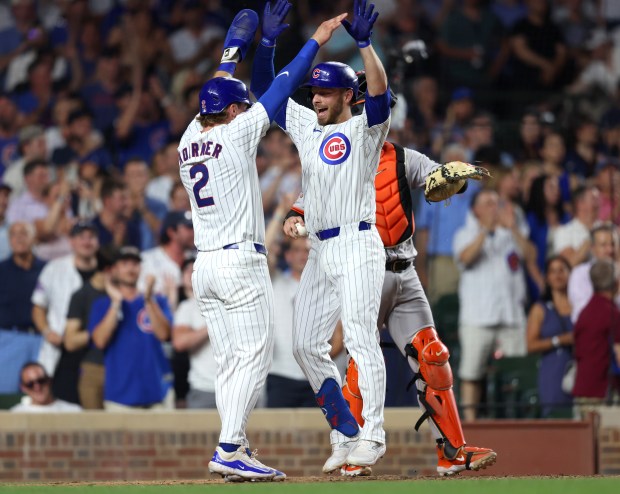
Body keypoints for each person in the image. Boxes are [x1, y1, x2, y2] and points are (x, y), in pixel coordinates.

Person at [285, 75, 497, 476]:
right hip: (364, 267)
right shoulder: (332, 156)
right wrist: (296, 219)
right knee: (358, 358)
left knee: (433, 357)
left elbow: (436, 182)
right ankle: (354, 450)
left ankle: (452, 451)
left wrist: (452, 178)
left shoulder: (403, 157)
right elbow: (302, 206)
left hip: (405, 267)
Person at [178, 4, 345, 482]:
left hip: (204, 266)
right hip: (238, 263)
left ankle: (235, 444)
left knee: (232, 361)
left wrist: (235, 48)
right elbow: (284, 86)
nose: (248, 107)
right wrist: (312, 40)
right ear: (233, 110)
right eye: (241, 103)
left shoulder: (189, 138)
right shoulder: (237, 133)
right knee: (255, 354)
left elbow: (217, 90)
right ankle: (230, 447)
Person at [254, 0, 391, 473]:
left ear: (346, 96)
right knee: (305, 344)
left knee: (358, 339)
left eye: (327, 92)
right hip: (320, 248)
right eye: (315, 89)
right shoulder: (308, 127)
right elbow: (264, 92)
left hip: (358, 243)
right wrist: (268, 45)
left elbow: (380, 94)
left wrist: (366, 45)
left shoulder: (365, 127)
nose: (316, 97)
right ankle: (345, 429)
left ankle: (373, 434)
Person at [453, 189, 529, 420]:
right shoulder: (465, 234)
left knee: (517, 373)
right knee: (471, 373)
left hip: (511, 315)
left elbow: (530, 255)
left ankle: (517, 421)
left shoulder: (512, 234)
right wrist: (485, 230)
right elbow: (466, 258)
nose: (494, 208)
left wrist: (513, 228)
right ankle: (470, 425)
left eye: (497, 203)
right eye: (488, 204)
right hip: (477, 317)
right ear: (475, 210)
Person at [89, 246, 173, 410]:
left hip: (156, 392)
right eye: (125, 263)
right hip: (119, 396)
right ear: (115, 269)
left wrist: (148, 299)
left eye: (135, 263)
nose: (130, 268)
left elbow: (164, 334)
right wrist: (116, 303)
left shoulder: (157, 300)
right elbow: (99, 341)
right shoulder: (102, 304)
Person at [31, 219, 99, 377]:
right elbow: (38, 307)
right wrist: (48, 332)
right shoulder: (54, 268)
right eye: (81, 237)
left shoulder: (106, 271)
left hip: (96, 349)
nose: (86, 241)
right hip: (61, 346)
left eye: (91, 237)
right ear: (71, 241)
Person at [62, 247, 115, 409]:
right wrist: (100, 331)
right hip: (94, 366)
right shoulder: (82, 295)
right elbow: (70, 341)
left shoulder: (125, 293)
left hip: (121, 367)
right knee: (96, 429)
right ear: (109, 269)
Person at [526, 255, 574, 418]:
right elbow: (530, 345)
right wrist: (559, 340)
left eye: (562, 270)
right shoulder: (540, 309)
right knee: (555, 416)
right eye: (553, 271)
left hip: (577, 367)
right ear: (547, 277)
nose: (558, 275)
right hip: (553, 368)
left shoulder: (579, 305)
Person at [0, 222, 45, 393]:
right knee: (6, 391)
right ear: (9, 240)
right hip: (8, 338)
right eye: (14, 234)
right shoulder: (1, 270)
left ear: (34, 238)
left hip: (42, 339)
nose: (19, 238)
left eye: (24, 233)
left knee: (41, 391)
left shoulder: (48, 269)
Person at [572, 260, 620, 417]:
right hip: (602, 392)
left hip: (583, 389)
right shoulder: (612, 314)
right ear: (616, 283)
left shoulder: (585, 312)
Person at [171, 256, 216, 409]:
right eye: (189, 271)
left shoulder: (226, 299)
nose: (193, 274)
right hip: (204, 387)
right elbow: (179, 343)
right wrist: (215, 322)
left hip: (237, 387)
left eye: (197, 270)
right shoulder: (186, 306)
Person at [568, 224, 618, 323]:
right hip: (593, 330)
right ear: (592, 248)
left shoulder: (618, 271)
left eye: (612, 244)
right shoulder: (580, 273)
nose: (610, 250)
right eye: (603, 245)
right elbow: (580, 311)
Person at [10, 362, 82, 413]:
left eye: (41, 381)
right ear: (23, 388)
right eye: (30, 384)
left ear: (49, 381)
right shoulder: (15, 414)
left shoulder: (74, 411)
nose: (37, 387)